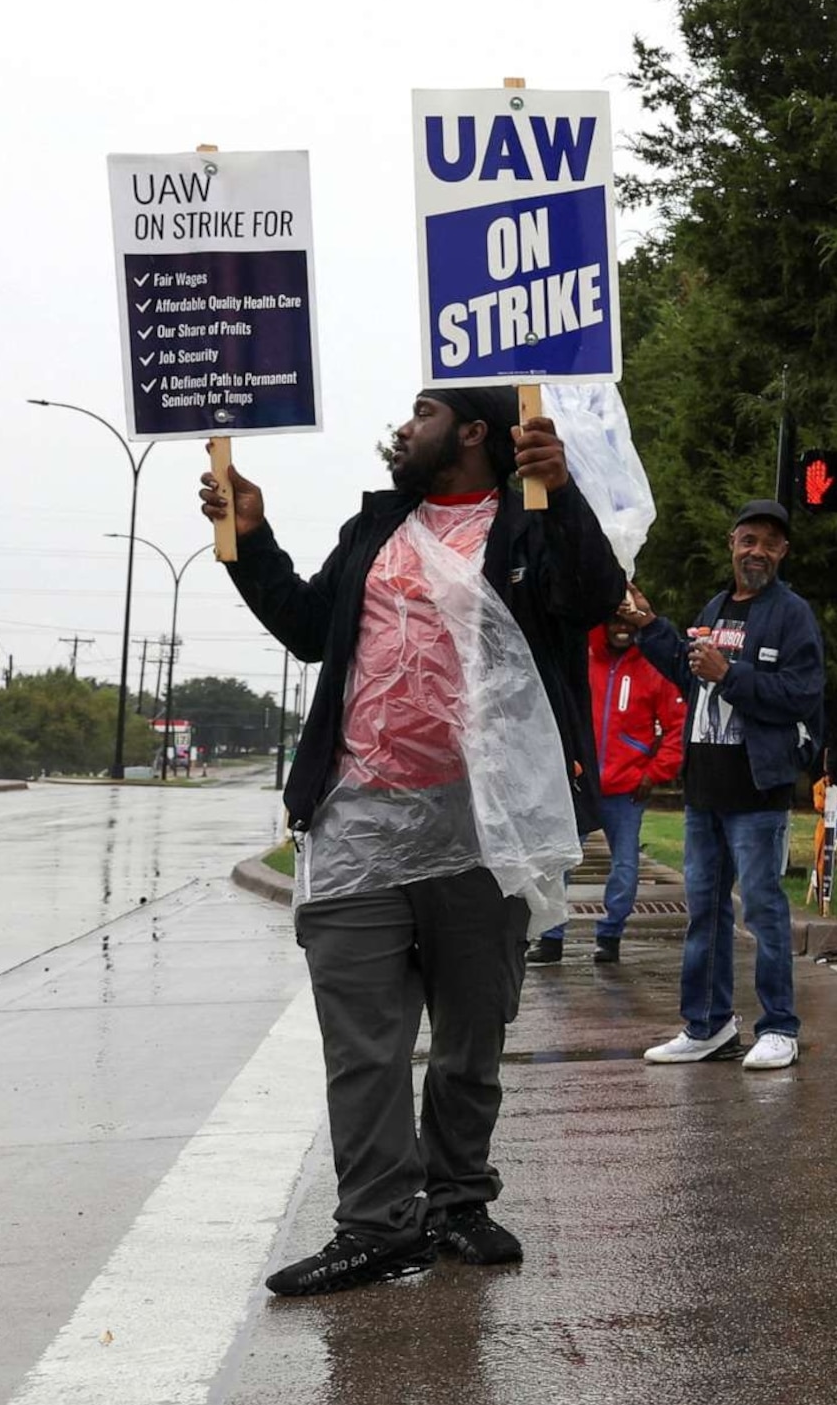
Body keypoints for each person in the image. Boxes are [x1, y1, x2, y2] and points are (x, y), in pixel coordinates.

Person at [206, 387, 623, 1296]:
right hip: (358, 822)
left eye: (424, 411)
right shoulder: (376, 529)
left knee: (471, 1033)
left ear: (475, 432)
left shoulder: (528, 521)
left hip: (486, 823)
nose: (402, 424)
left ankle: (458, 1201)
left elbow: (592, 599)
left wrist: (563, 491)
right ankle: (376, 1226)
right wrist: (252, 538)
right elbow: (313, 629)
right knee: (363, 1040)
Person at [628, 498, 827, 1073]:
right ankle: (708, 1026)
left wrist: (731, 674)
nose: (757, 551)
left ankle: (780, 1027)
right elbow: (690, 674)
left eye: (769, 542)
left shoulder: (792, 615)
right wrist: (650, 627)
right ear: (731, 545)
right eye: (748, 540)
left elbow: (802, 694)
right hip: (706, 792)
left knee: (763, 911)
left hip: (758, 793)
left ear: (783, 552)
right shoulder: (716, 607)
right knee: (704, 912)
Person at [530, 592, 688, 965]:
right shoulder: (581, 658)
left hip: (626, 789)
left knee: (626, 864)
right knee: (560, 859)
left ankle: (610, 935)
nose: (621, 628)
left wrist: (655, 772)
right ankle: (551, 937)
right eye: (614, 620)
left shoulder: (653, 667)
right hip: (581, 782)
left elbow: (678, 726)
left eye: (628, 621)